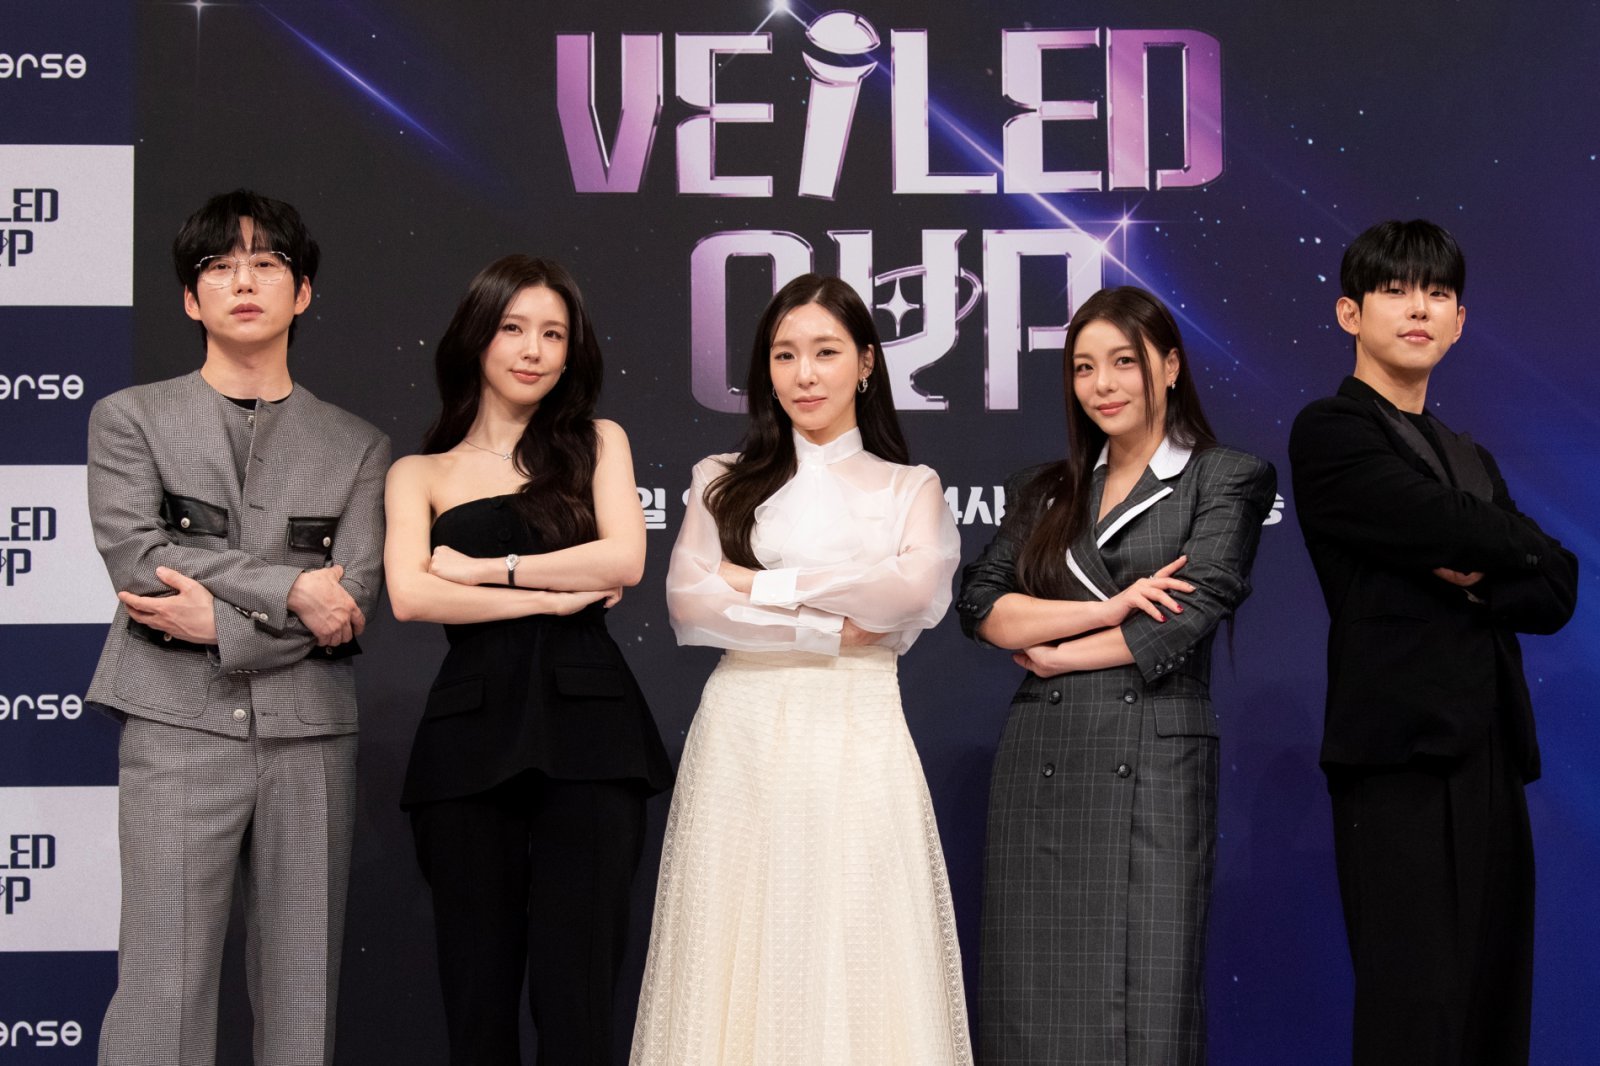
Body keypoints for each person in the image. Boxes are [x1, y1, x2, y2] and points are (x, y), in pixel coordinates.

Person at [631, 273, 971, 1065]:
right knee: (731, 942)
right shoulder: (719, 479)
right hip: (742, 734)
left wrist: (761, 585)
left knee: (860, 935)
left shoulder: (909, 487)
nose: (804, 374)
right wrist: (827, 629)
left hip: (859, 732)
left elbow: (908, 594)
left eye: (825, 352)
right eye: (784, 355)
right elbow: (692, 604)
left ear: (866, 363)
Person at [85, 190, 389, 1065]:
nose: (243, 281)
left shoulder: (359, 446)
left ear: (304, 292)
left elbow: (351, 599)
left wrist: (218, 621)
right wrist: (290, 592)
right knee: (162, 988)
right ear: (191, 299)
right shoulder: (130, 418)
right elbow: (141, 560)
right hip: (174, 725)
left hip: (310, 735)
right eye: (219, 266)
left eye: (266, 263)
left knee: (302, 994)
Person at [958, 286, 1275, 1064]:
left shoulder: (1224, 476)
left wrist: (1059, 650)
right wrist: (1110, 608)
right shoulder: (1047, 492)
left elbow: (1190, 612)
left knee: (1147, 999)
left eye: (1123, 363)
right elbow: (984, 607)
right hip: (1044, 755)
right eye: (1083, 368)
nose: (1102, 385)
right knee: (1031, 1001)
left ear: (1169, 366)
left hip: (1153, 758)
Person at [1288, 220, 1576, 1065]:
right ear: (1350, 313)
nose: (1419, 309)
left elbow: (1557, 584)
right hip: (1399, 757)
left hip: (1492, 753)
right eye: (1396, 291)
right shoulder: (1331, 430)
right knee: (1416, 1010)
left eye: (1438, 294)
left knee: (1493, 1007)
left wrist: (1480, 570)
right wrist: (1502, 543)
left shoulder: (1468, 454)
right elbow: (1435, 520)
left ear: (1459, 322)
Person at [383, 254, 671, 1066]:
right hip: (469, 740)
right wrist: (547, 598)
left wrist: (487, 570)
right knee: (477, 997)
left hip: (592, 736)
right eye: (513, 328)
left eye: (554, 334)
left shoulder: (597, 443)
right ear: (477, 336)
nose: (533, 350)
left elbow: (622, 560)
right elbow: (412, 595)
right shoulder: (419, 473)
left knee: (579, 995)